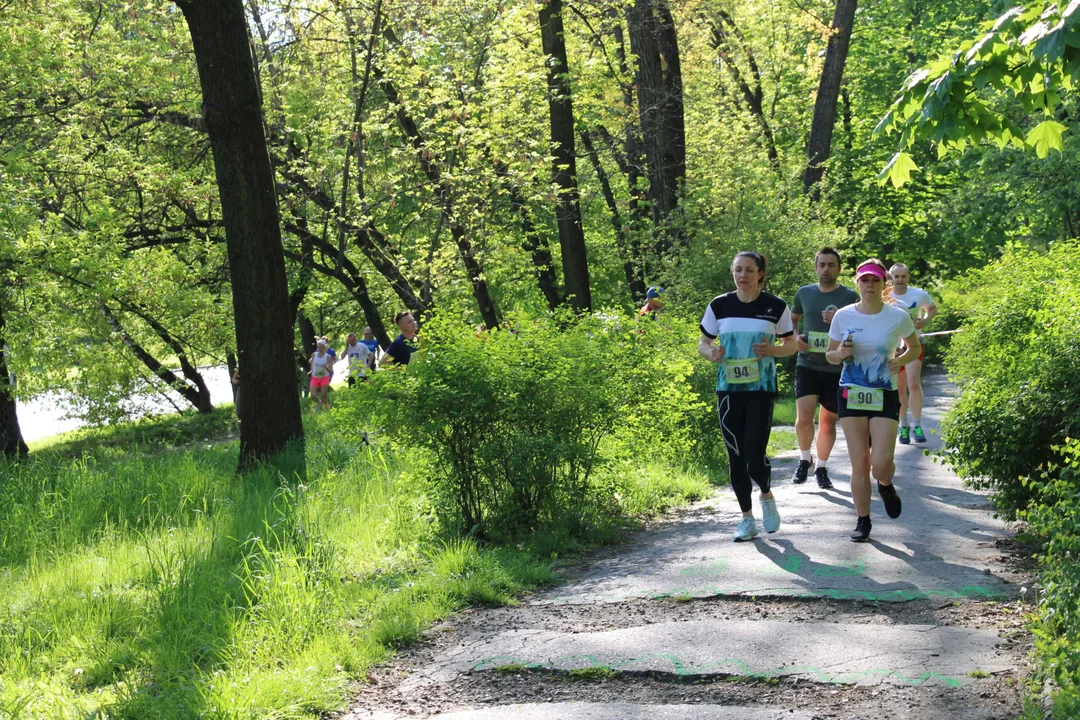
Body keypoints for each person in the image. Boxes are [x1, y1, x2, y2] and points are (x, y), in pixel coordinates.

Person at [698, 252, 796, 542]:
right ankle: (746, 519)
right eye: (738, 270)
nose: (743, 275)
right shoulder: (719, 305)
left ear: (760, 274)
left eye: (749, 270)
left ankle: (766, 495)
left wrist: (772, 351)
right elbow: (704, 343)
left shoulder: (775, 306)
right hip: (728, 390)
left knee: (754, 455)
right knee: (735, 456)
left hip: (760, 389)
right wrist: (712, 354)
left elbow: (791, 344)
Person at [826, 259, 921, 542]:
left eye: (875, 281)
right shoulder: (843, 316)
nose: (869, 286)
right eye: (864, 281)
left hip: (884, 394)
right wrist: (841, 353)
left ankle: (886, 483)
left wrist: (900, 360)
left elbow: (914, 347)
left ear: (884, 284)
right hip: (851, 392)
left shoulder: (897, 316)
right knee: (859, 463)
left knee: (880, 462)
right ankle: (863, 521)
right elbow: (829, 354)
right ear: (857, 283)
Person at [790, 248, 860, 489]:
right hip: (807, 363)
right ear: (816, 268)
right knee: (804, 416)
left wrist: (840, 321)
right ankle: (803, 459)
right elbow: (793, 320)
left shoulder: (849, 296)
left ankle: (821, 466)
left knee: (828, 421)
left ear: (839, 269)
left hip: (836, 367)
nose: (826, 269)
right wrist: (796, 338)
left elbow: (859, 328)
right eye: (822, 265)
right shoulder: (804, 293)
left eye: (831, 265)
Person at [888, 263, 938, 444]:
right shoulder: (886, 296)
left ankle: (917, 425)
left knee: (913, 384)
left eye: (903, 276)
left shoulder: (919, 294)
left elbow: (932, 309)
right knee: (900, 388)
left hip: (914, 343)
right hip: (894, 347)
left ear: (908, 277)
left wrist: (923, 322)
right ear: (891, 278)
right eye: (896, 276)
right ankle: (904, 425)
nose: (899, 280)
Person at [310, 338, 334, 410]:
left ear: (324, 347)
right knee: (313, 396)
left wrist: (326, 367)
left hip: (324, 377)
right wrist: (312, 370)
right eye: (318, 347)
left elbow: (330, 370)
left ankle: (325, 408)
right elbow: (312, 362)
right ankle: (319, 403)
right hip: (315, 377)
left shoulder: (328, 357)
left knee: (323, 395)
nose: (319, 348)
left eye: (320, 347)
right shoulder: (314, 354)